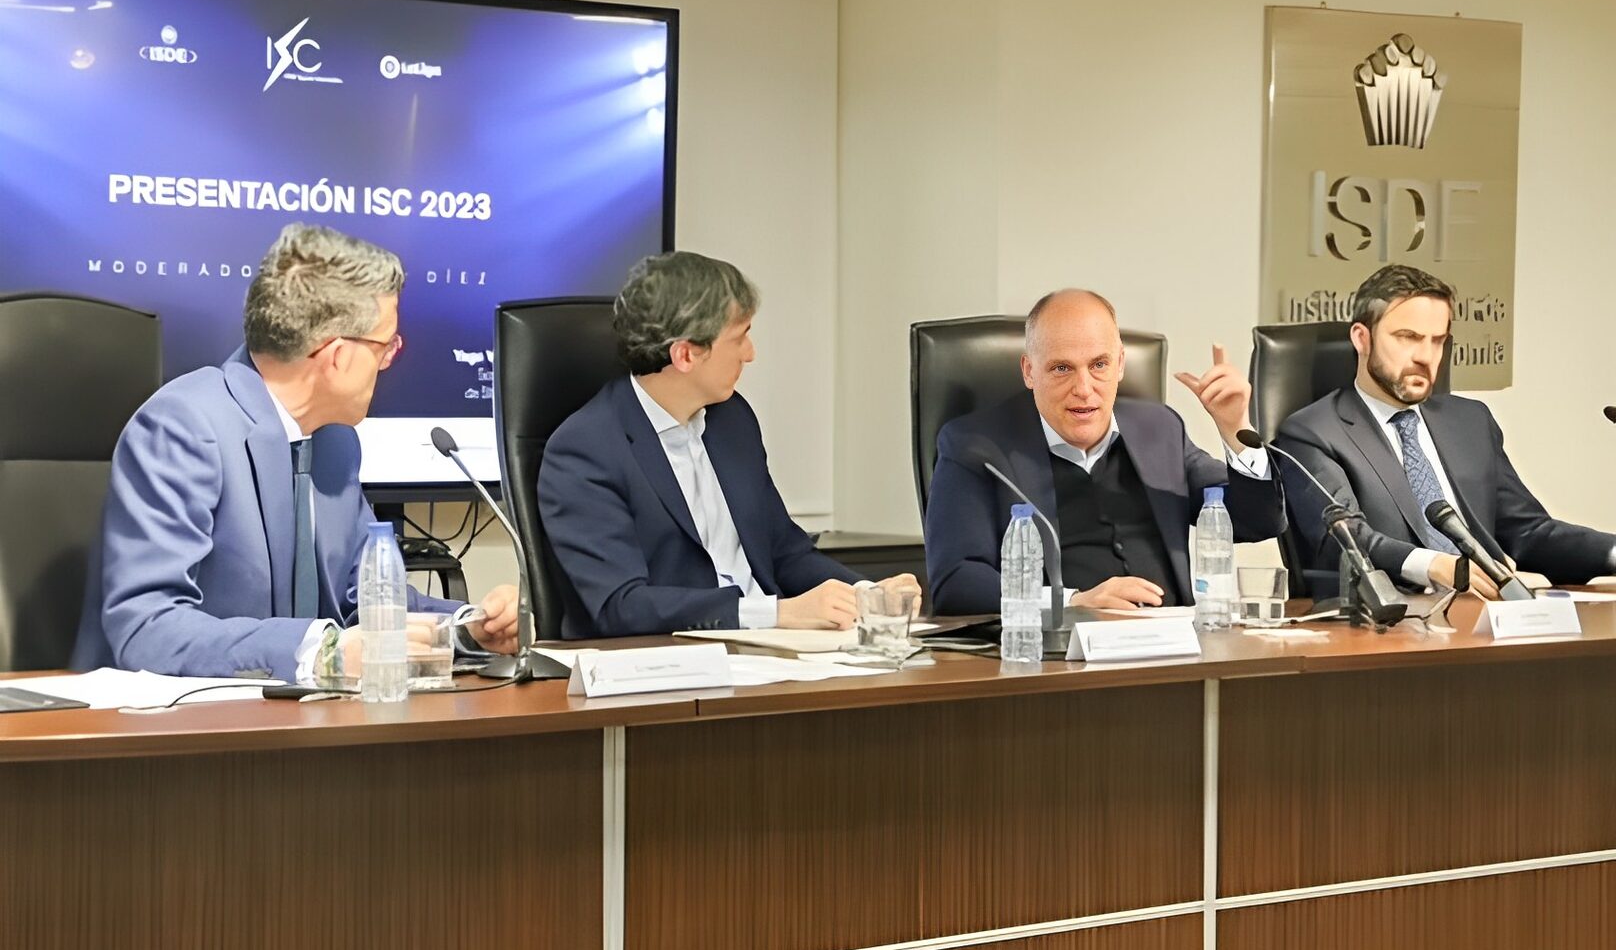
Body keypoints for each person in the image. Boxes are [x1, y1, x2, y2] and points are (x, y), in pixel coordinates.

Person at [73, 223, 518, 681]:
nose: (388, 363)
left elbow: (365, 600)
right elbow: (148, 628)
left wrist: (468, 629)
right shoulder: (183, 426)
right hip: (173, 719)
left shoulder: (336, 442)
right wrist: (322, 653)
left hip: (301, 716)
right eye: (386, 347)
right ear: (338, 356)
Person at [539, 251, 921, 638]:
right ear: (685, 354)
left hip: (773, 649)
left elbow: (783, 551)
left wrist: (866, 596)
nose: (750, 354)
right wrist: (775, 613)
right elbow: (621, 606)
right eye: (739, 338)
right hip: (672, 659)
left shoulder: (732, 419)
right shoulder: (585, 450)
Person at [925, 289, 1285, 615]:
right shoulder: (975, 446)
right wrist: (1072, 602)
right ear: (1029, 371)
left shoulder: (1158, 428)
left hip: (1174, 643)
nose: (1084, 388)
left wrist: (1236, 428)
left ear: (1121, 364)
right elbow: (956, 581)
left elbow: (1257, 521)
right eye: (1062, 368)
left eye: (1099, 365)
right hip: (1058, 651)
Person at [1274, 264, 1616, 595]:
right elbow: (1346, 536)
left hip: (1486, 611)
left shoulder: (1470, 422)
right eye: (1408, 338)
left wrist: (1611, 553)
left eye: (1438, 341)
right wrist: (1434, 565)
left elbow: (1528, 532)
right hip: (1390, 618)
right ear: (1362, 339)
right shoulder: (1312, 433)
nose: (1426, 356)